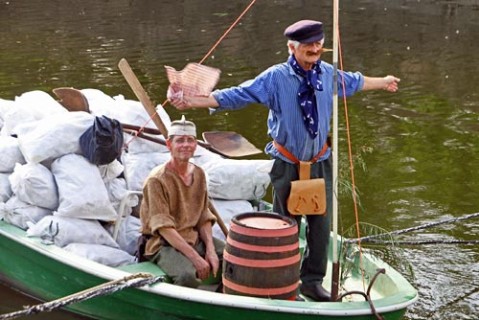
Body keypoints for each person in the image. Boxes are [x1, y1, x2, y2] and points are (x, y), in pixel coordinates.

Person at [167, 19, 400, 301]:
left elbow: (356, 81)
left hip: (319, 162)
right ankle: (284, 280)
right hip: (286, 163)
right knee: (285, 225)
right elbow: (238, 94)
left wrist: (384, 82)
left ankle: (312, 281)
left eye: (318, 43)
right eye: (307, 45)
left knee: (320, 226)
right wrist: (195, 102)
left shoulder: (327, 74)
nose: (314, 49)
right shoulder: (275, 78)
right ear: (292, 47)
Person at [139, 116, 224, 288]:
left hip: (193, 237)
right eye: (180, 141)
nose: (185, 145)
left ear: (196, 145)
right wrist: (196, 258)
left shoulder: (199, 174)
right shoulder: (157, 180)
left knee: (235, 257)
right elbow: (164, 228)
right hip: (164, 244)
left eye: (190, 140)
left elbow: (204, 216)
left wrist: (210, 249)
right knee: (187, 276)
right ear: (169, 145)